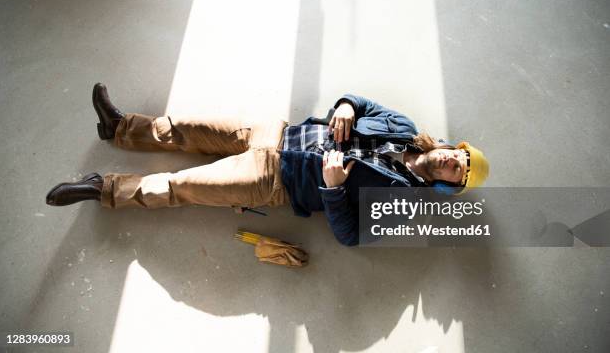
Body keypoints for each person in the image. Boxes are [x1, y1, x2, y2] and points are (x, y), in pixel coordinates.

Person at [46, 84, 489, 246]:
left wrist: (334, 188)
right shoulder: (406, 128)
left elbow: (350, 237)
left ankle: (102, 189)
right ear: (453, 146)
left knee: (181, 185)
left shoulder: (400, 203)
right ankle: (121, 128)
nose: (453, 161)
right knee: (185, 128)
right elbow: (363, 99)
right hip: (274, 133)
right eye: (460, 155)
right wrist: (347, 105)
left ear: (448, 186)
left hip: (272, 180)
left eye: (459, 171)